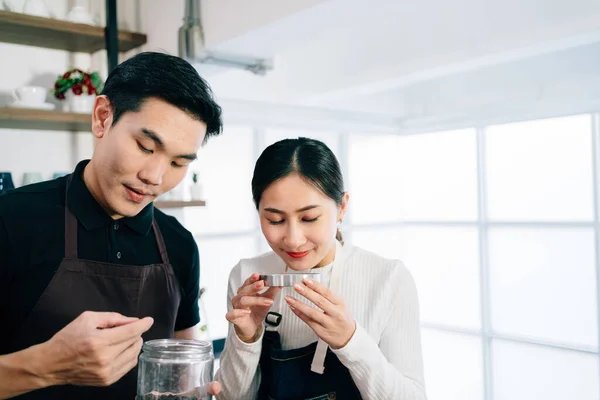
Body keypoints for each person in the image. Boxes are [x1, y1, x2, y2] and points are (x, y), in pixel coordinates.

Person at [0, 52, 223, 399]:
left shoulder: (179, 244)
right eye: (145, 146)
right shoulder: (11, 219)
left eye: (178, 162)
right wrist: (44, 366)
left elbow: (185, 366)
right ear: (103, 117)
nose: (155, 177)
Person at [215, 137, 428, 399]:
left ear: (342, 207)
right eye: (275, 219)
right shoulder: (247, 274)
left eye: (309, 218)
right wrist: (245, 338)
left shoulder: (388, 279)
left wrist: (351, 341)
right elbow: (229, 396)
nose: (293, 239)